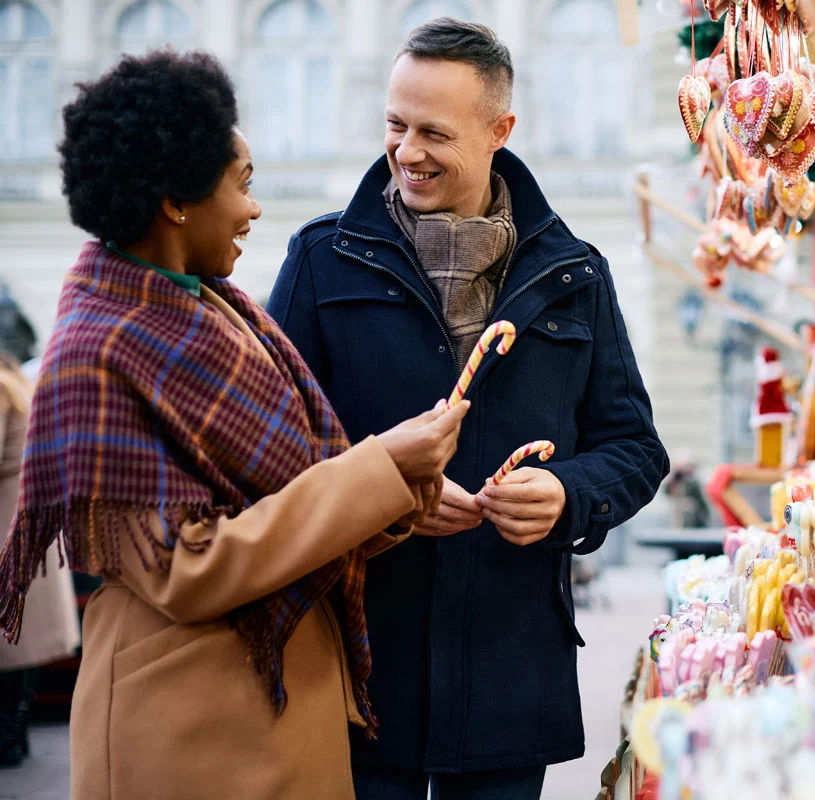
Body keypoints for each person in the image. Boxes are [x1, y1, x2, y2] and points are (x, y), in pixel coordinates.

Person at [0, 50, 469, 799]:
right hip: (192, 729)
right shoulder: (97, 346)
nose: (254, 210)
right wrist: (379, 469)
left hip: (269, 701)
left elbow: (291, 490)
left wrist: (399, 492)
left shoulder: (212, 303)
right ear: (177, 199)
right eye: (242, 184)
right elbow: (184, 569)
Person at [267, 18, 669, 799]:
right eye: (394, 125)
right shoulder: (321, 260)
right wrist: (383, 496)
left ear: (499, 131)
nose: (406, 151)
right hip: (357, 672)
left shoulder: (575, 273)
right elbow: (271, 449)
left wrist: (568, 497)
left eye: (433, 132)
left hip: (510, 673)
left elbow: (635, 449)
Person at [0, 351, 80, 767]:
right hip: (26, 513)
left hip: (7, 521)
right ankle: (14, 731)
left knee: (9, 643)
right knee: (19, 643)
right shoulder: (16, 383)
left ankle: (8, 736)